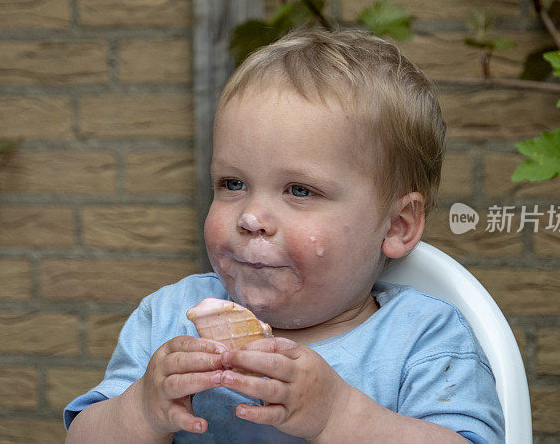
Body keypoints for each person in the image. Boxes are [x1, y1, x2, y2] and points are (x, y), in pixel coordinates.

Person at [64, 27, 504, 443]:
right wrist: (141, 410)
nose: (252, 217)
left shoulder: (421, 339)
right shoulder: (169, 319)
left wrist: (338, 414)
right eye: (233, 184)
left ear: (396, 226)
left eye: (299, 190)